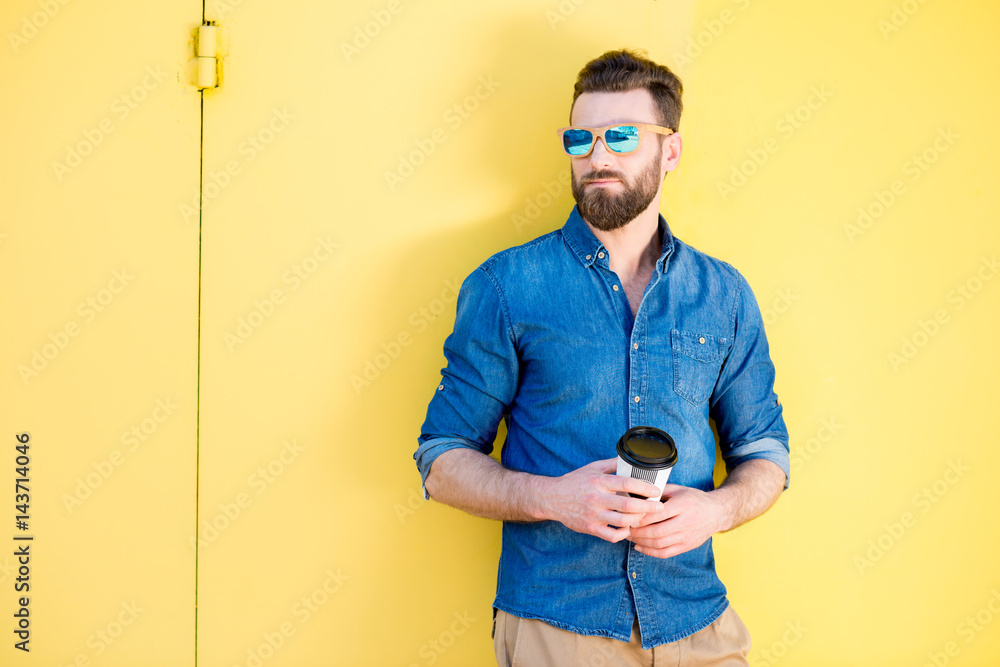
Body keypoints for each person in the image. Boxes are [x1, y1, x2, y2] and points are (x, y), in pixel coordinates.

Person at [413, 48, 790, 666]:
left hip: (698, 624)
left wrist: (715, 511)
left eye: (621, 136)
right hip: (560, 626)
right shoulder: (508, 286)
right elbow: (441, 459)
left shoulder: (723, 295)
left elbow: (767, 453)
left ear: (669, 151)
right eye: (580, 139)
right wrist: (554, 499)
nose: (598, 157)